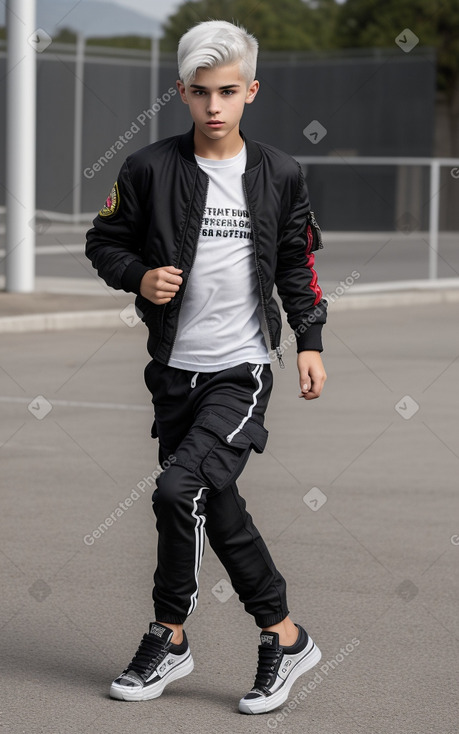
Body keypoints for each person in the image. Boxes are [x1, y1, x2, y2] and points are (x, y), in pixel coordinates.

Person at [85, 19, 327, 715]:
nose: (213, 106)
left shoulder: (278, 171)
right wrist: (137, 276)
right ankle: (284, 637)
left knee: (174, 492)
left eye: (227, 91)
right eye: (199, 92)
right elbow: (104, 241)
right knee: (212, 505)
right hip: (173, 374)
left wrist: (308, 339)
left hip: (240, 371)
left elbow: (294, 262)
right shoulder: (148, 168)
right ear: (181, 93)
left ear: (250, 90)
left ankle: (169, 631)